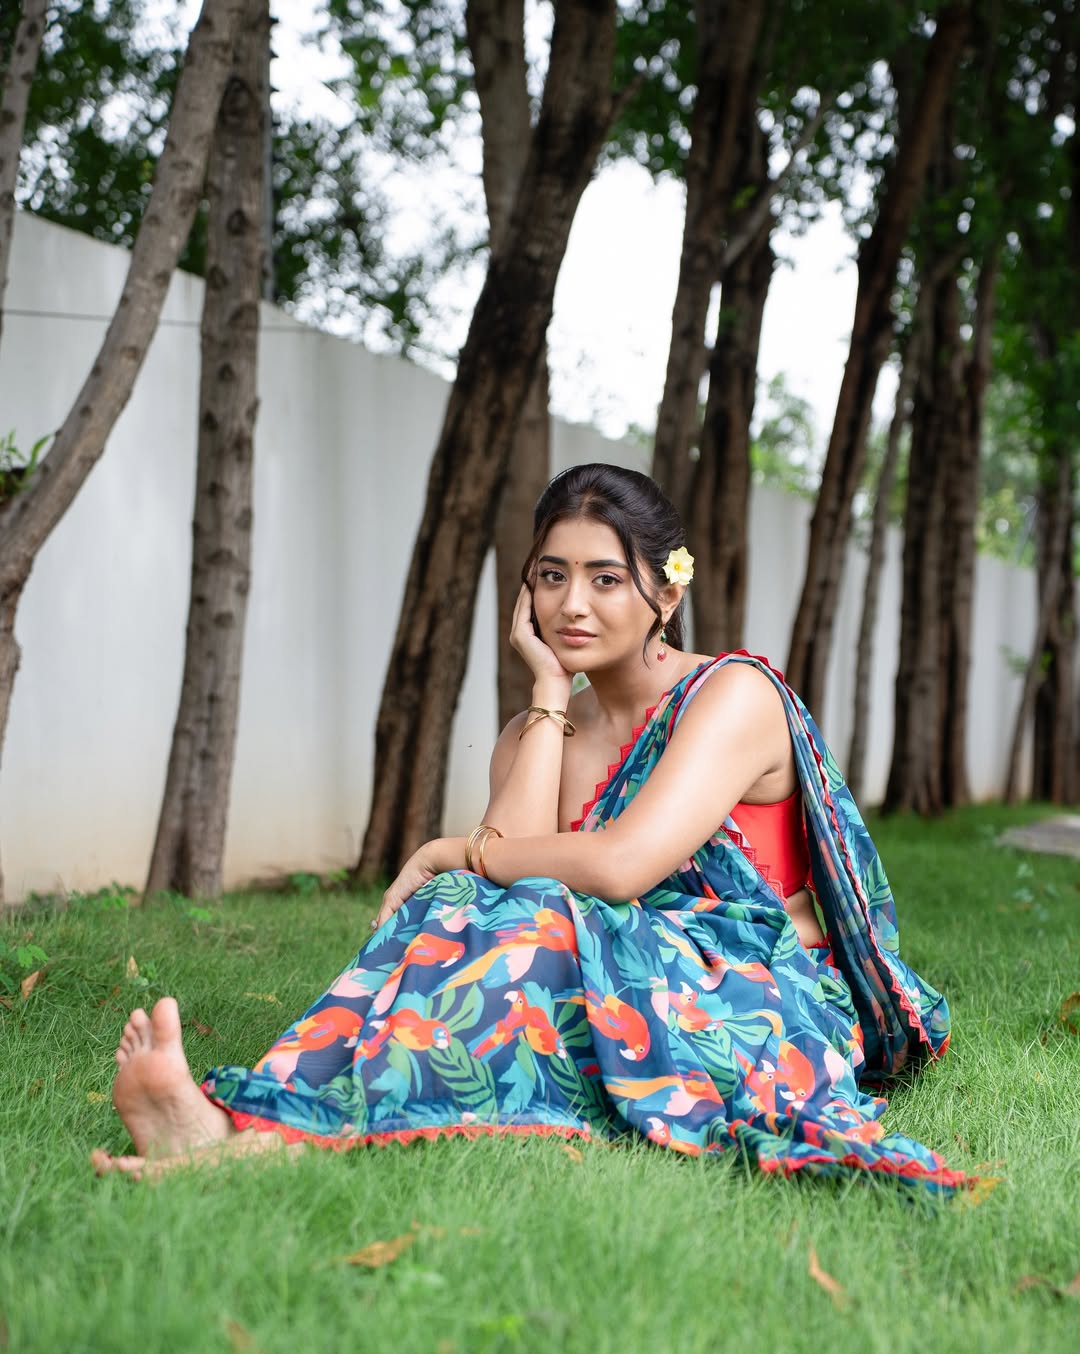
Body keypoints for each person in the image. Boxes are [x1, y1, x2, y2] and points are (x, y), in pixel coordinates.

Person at [93, 463, 965, 1196]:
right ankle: (250, 1117)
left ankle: (261, 1138)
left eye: (606, 579)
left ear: (667, 593)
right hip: (621, 969)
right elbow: (492, 891)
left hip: (763, 994)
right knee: (464, 908)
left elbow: (618, 866)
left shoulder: (732, 696)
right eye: (552, 576)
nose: (571, 605)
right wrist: (548, 692)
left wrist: (448, 848)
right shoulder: (535, 731)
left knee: (509, 905)